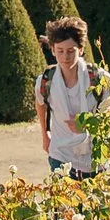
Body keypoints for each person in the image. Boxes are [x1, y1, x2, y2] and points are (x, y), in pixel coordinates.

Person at [37, 18, 100, 177]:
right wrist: (45, 134)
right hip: (60, 154)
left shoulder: (97, 78)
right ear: (52, 49)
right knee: (64, 202)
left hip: (95, 156)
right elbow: (40, 103)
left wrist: (88, 124)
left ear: (81, 49)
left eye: (71, 51)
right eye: (60, 51)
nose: (65, 57)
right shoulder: (46, 79)